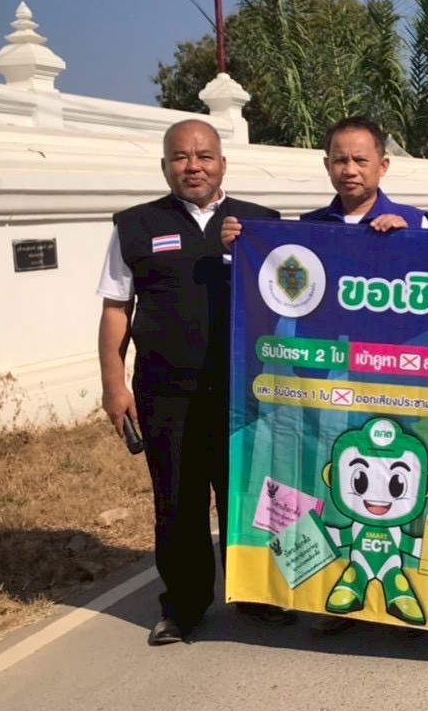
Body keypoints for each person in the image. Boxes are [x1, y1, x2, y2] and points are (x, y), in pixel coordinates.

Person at [97, 119, 294, 646]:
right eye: (181, 157)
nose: (193, 166)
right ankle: (183, 605)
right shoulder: (135, 226)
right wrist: (114, 384)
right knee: (178, 501)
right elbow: (116, 308)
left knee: (246, 495)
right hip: (166, 392)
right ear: (165, 166)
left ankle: (255, 595)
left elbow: (297, 298)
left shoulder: (261, 224)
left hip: (245, 391)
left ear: (222, 163)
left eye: (204, 156)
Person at [221, 117, 426, 250]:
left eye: (360, 160)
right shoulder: (309, 226)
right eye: (340, 161)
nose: (350, 170)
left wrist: (410, 240)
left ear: (383, 166)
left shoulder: (415, 222)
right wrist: (242, 245)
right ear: (327, 166)